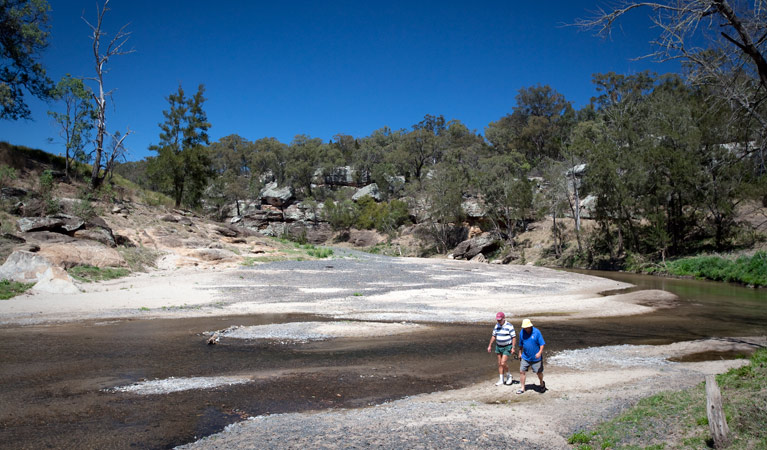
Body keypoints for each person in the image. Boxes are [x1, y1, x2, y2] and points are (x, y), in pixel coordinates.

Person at [487, 311, 516, 386]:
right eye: (497, 320)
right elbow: (494, 336)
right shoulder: (496, 326)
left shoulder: (509, 326)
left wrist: (513, 347)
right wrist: (490, 345)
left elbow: (513, 337)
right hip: (498, 346)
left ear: (504, 318)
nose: (498, 321)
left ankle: (509, 376)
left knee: (503, 362)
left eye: (500, 319)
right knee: (500, 363)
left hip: (507, 346)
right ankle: (501, 379)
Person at [517, 318, 545, 394]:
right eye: (524, 328)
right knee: (522, 371)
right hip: (525, 356)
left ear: (530, 326)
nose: (526, 329)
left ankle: (542, 383)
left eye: (527, 327)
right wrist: (520, 352)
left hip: (536, 358)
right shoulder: (522, 332)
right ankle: (522, 388)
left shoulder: (537, 332)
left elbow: (542, 344)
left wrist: (539, 353)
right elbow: (521, 344)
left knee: (538, 372)